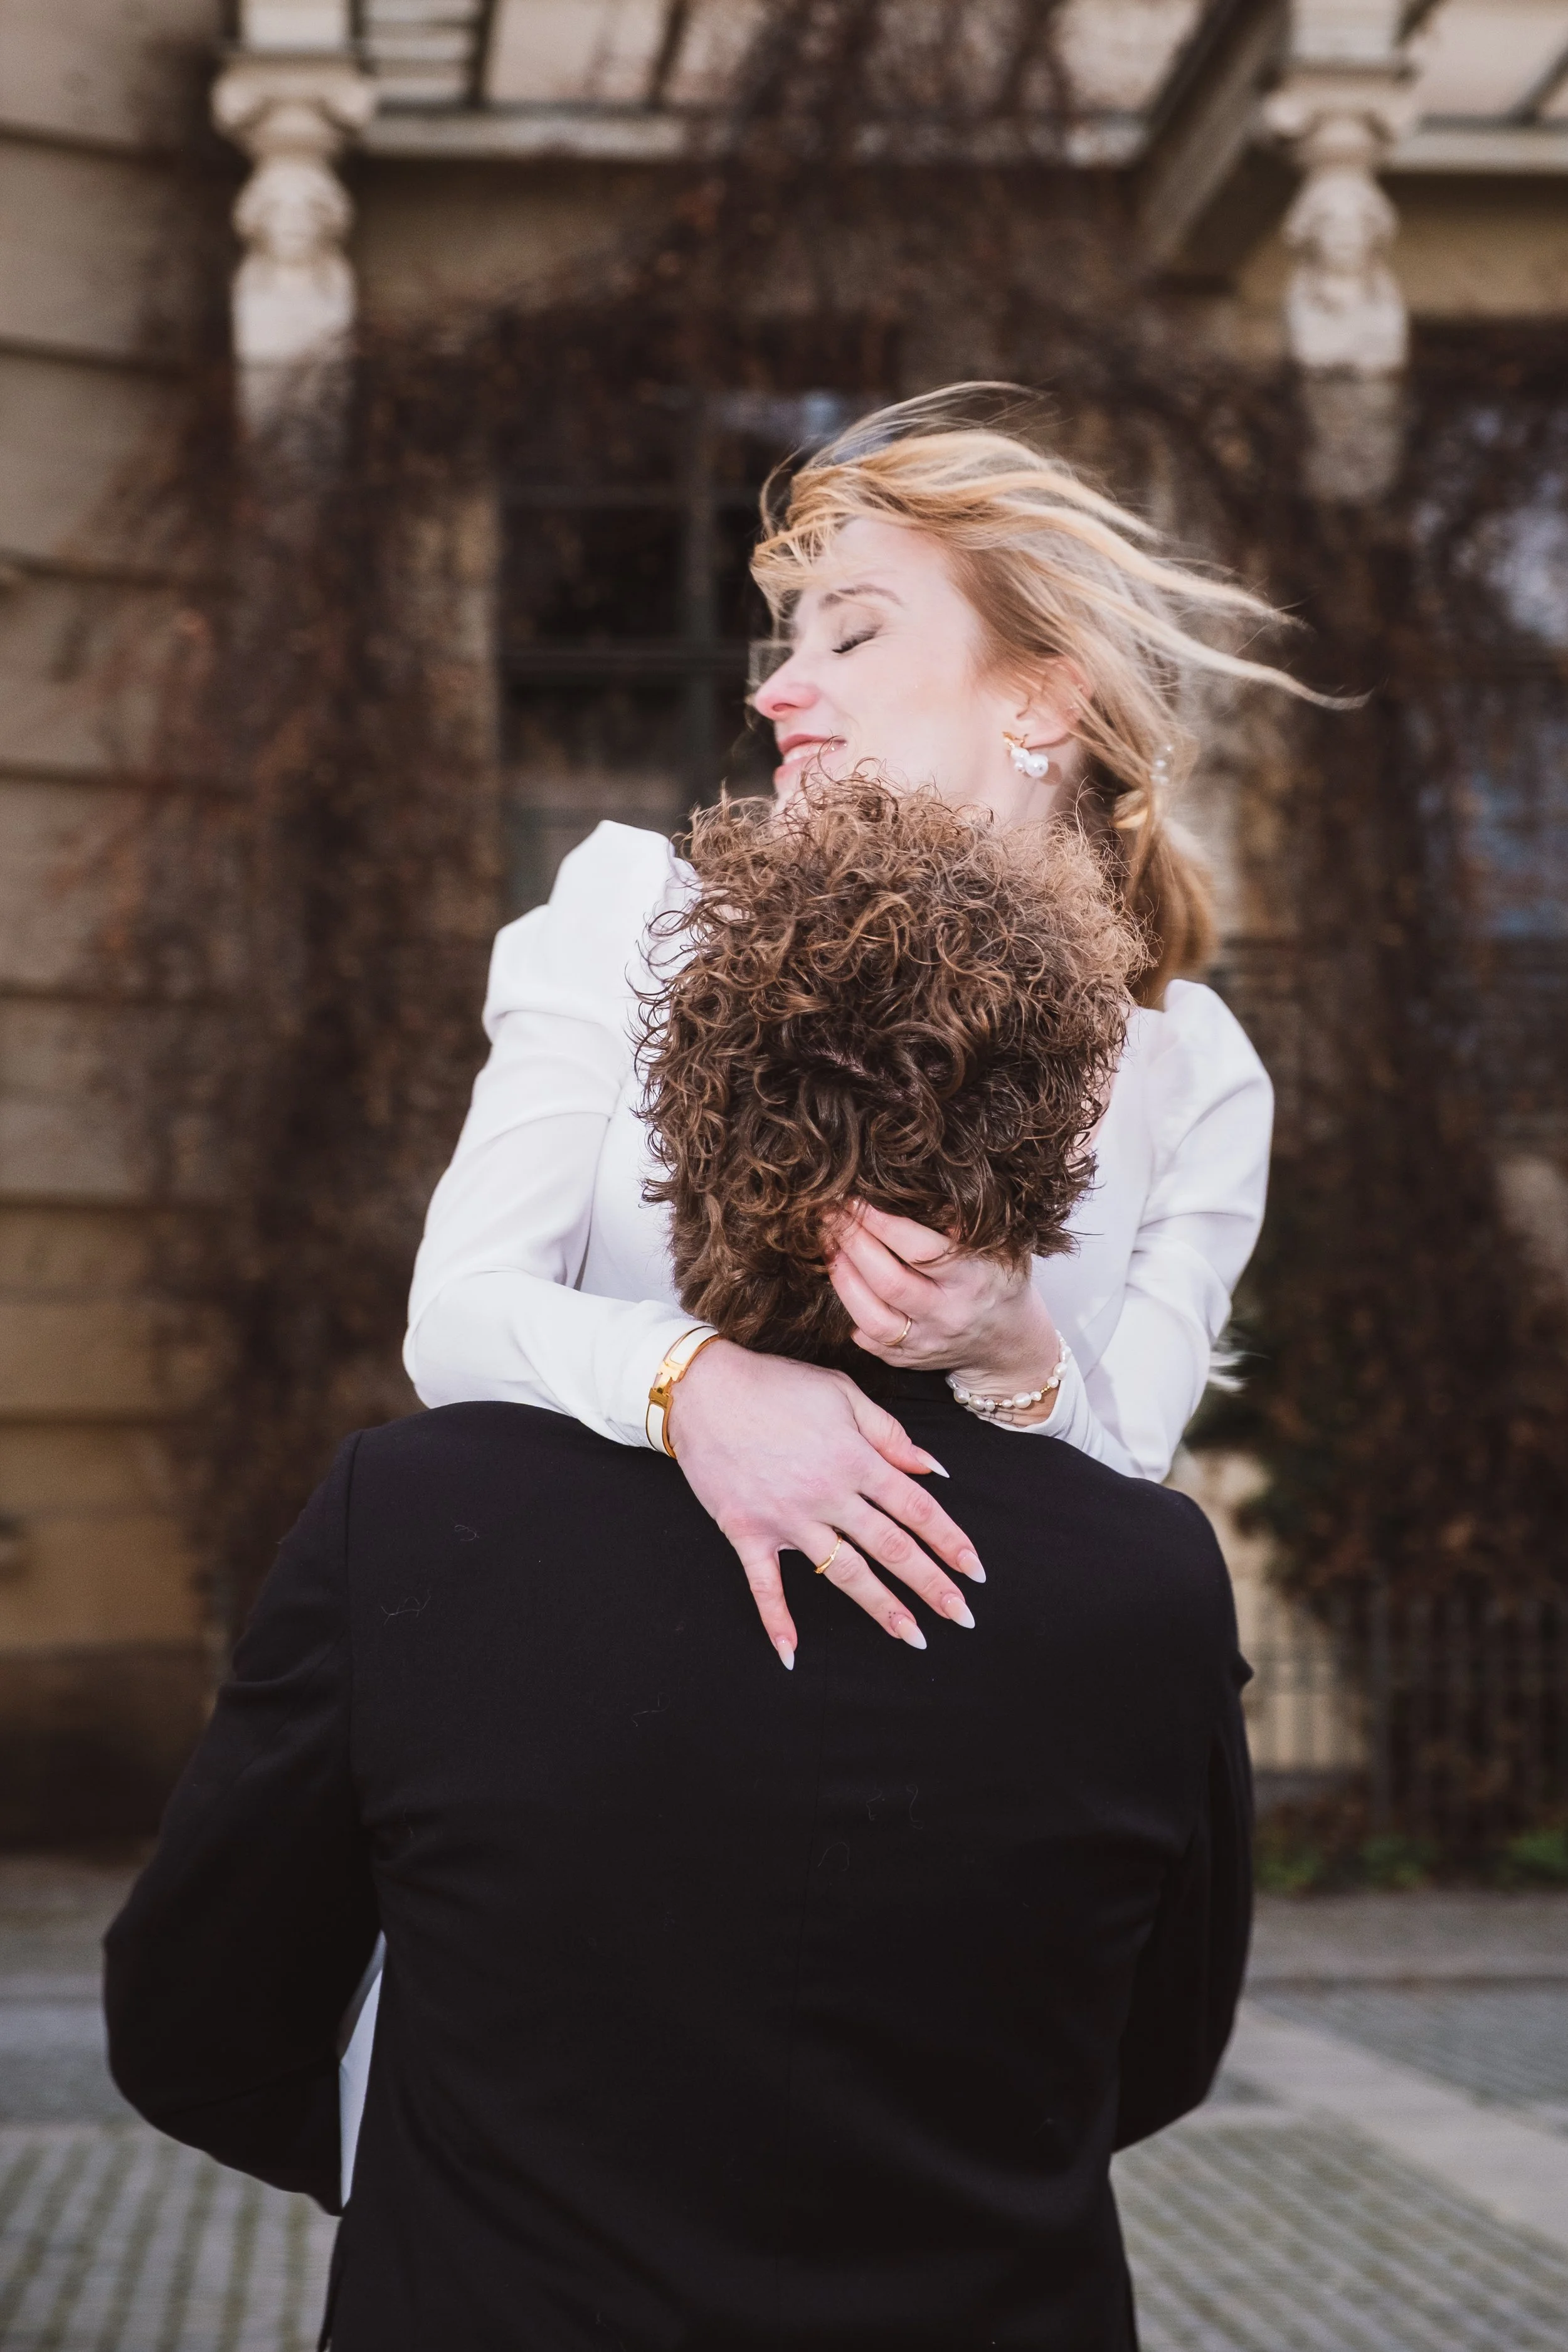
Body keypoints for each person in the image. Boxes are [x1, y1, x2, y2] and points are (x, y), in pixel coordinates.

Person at [105, 785, 1253, 2352]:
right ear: (1052, 1158)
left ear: (684, 1120)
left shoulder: (414, 1517)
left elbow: (193, 2028)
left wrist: (468, 2192)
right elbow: (1158, 2060)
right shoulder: (1152, 1575)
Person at [404, 386, 1310, 1670]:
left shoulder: (1194, 1073)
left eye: (853, 636)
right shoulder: (632, 911)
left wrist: (1015, 1349)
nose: (779, 693)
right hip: (611, 1667)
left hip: (954, 1723)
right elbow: (455, 1319)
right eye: (787, 645)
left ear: (1038, 702)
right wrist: (695, 1385)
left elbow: (1125, 1498)